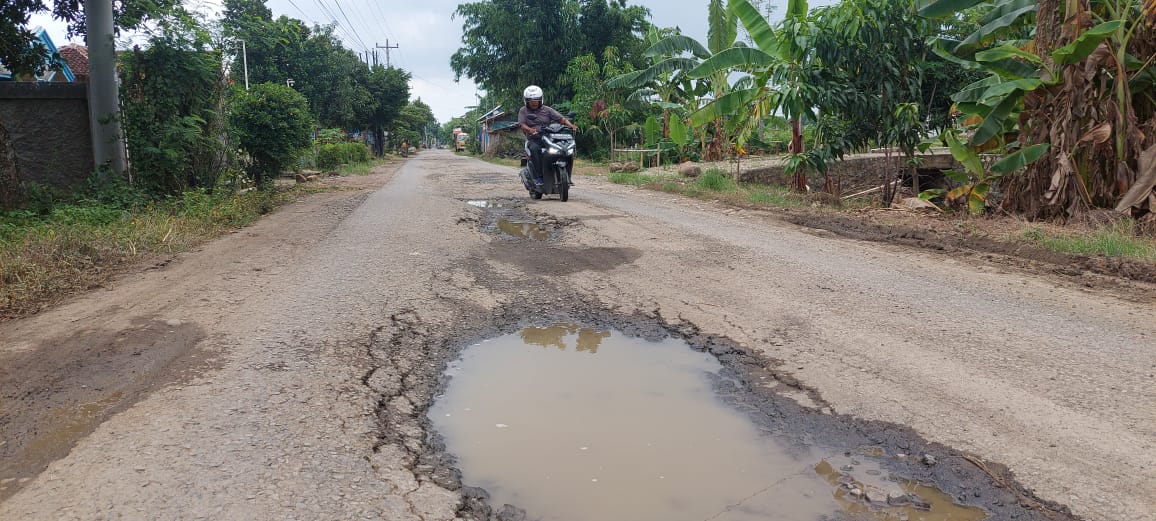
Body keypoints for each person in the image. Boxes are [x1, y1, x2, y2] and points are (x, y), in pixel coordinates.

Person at [518, 85, 577, 184]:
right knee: (534, 149)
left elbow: (561, 119)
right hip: (534, 139)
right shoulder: (523, 111)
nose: (534, 102)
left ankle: (567, 175)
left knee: (566, 150)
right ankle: (538, 177)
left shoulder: (547, 110)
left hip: (548, 137)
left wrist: (571, 125)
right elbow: (522, 124)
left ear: (540, 100)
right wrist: (530, 130)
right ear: (526, 101)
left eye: (536, 100)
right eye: (531, 100)